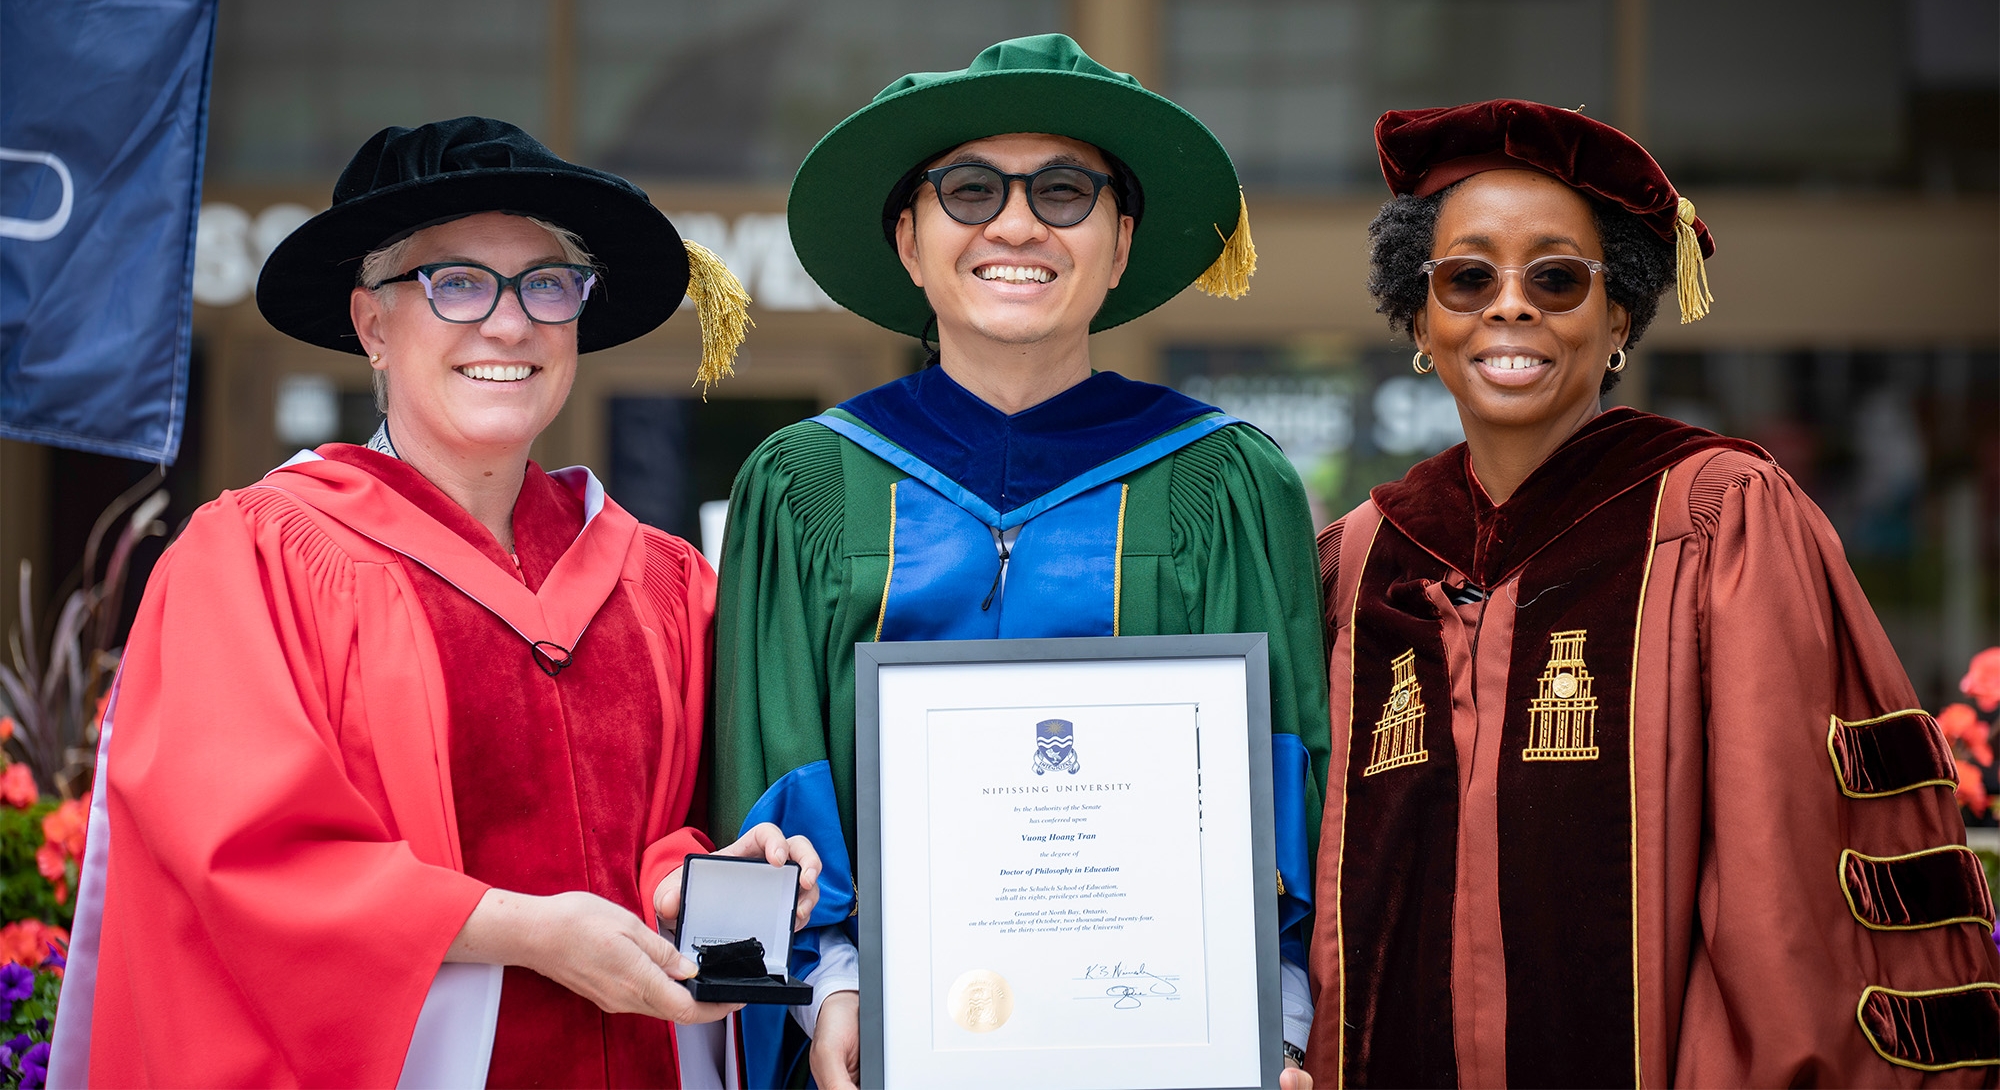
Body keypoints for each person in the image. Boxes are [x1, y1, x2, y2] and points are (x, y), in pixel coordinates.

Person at [47, 116, 817, 1088]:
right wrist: (527, 931)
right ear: (372, 324)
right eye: (454, 283)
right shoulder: (253, 558)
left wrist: (696, 879)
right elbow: (241, 856)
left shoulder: (657, 582)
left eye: (546, 282)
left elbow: (671, 819)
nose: (508, 323)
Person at [1306, 99, 2000, 1087]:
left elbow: (1784, 885)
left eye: (1555, 277)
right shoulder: (1364, 560)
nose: (1510, 306)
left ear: (1617, 314)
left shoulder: (1718, 517)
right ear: (1418, 317)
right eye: (1466, 277)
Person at [712, 34, 1326, 1090]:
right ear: (907, 239)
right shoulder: (806, 487)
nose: (1013, 224)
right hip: (870, 1052)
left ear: (1120, 240)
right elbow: (764, 778)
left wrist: (1273, 1027)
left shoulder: (1222, 484)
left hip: (1162, 1051)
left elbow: (1281, 780)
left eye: (1061, 191)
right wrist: (828, 988)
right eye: (967, 190)